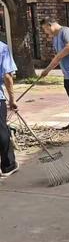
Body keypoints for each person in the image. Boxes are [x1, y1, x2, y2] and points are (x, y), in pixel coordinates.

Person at [0, 40, 19, 177]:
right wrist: (12, 99)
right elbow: (7, 76)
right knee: (2, 132)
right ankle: (8, 165)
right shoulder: (2, 48)